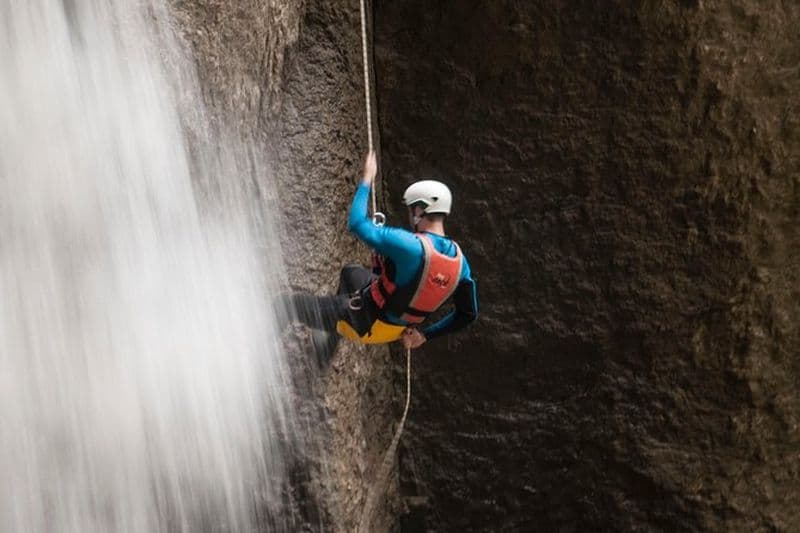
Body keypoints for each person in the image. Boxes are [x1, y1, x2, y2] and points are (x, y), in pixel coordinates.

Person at [286, 151, 478, 360]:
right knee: (350, 273)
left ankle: (258, 350)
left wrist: (367, 178)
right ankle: (324, 354)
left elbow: (358, 223)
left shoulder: (409, 246)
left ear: (419, 211)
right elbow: (467, 314)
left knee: (285, 306)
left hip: (364, 322)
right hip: (394, 330)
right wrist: (424, 336)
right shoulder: (460, 263)